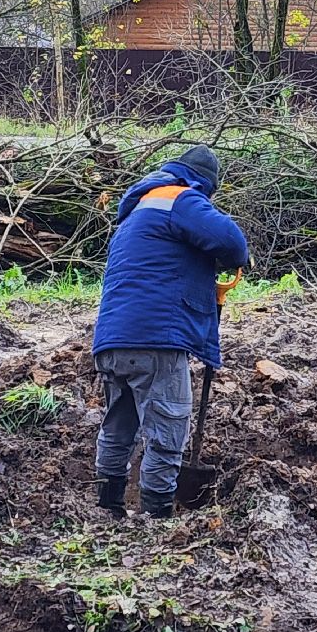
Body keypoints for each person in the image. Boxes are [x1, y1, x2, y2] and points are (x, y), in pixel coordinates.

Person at [91, 145, 249, 519]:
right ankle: (157, 517)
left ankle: (108, 509)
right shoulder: (180, 199)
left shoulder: (136, 211)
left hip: (112, 340)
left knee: (118, 427)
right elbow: (232, 243)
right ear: (204, 184)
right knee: (168, 429)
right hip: (156, 339)